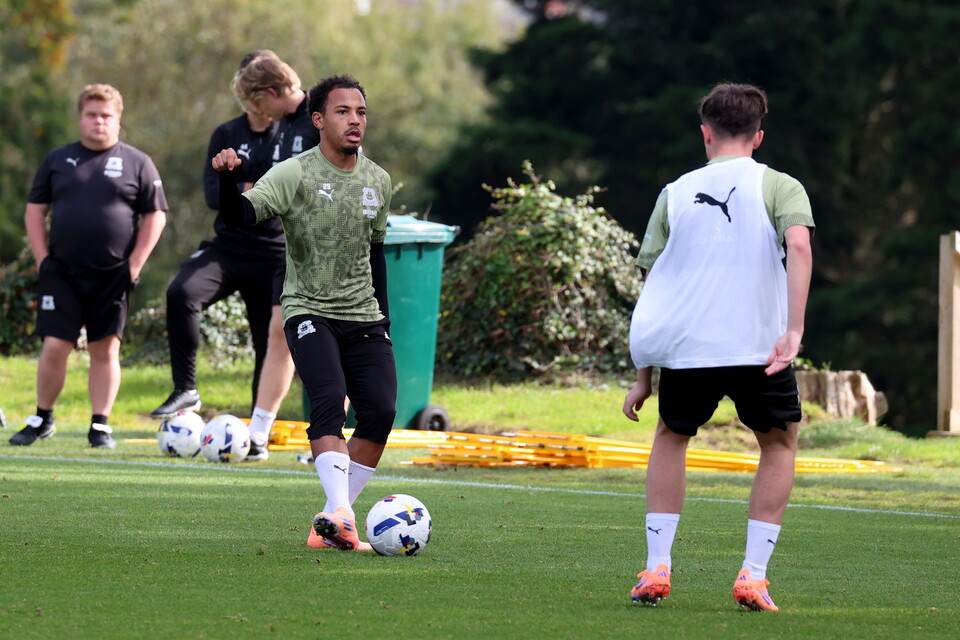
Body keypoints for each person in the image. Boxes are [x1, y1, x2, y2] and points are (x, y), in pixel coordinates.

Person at [622, 83, 814, 611]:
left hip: (688, 349)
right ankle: (753, 575)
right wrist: (793, 332)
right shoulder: (781, 186)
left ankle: (657, 567)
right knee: (777, 445)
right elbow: (798, 244)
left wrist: (643, 371)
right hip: (760, 350)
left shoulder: (675, 192)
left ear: (705, 133)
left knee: (671, 436)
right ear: (759, 136)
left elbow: (654, 282)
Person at [212, 74, 396, 550]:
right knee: (329, 402)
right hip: (307, 308)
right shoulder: (295, 172)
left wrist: (385, 320)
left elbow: (375, 254)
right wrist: (228, 179)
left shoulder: (379, 180)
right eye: (342, 112)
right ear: (318, 120)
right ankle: (341, 515)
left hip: (365, 315)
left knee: (380, 411)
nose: (355, 120)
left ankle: (337, 520)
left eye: (360, 112)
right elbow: (239, 216)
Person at [9, 83, 168, 449]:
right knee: (54, 345)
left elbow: (155, 215)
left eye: (106, 115)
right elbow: (35, 211)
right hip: (61, 272)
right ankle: (42, 417)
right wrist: (42, 259)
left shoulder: (138, 162)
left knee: (105, 348)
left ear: (118, 119)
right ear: (80, 118)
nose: (99, 122)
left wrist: (134, 265)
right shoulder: (57, 160)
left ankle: (100, 426)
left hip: (113, 274)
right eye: (92, 115)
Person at [150, 52, 283, 463]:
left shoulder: (292, 135)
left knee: (269, 344)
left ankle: (258, 436)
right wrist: (262, 187)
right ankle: (186, 388)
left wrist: (244, 185)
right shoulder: (225, 132)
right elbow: (217, 199)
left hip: (276, 254)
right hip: (228, 248)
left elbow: (293, 194)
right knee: (181, 292)